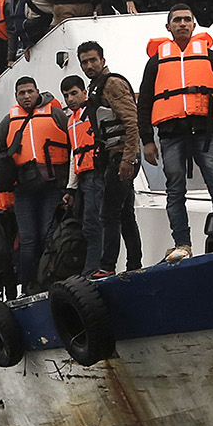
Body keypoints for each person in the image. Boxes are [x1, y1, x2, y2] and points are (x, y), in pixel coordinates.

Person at [140, 6, 213, 259]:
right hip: (171, 133)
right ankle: (182, 244)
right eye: (177, 20)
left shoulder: (212, 57)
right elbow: (145, 102)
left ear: (194, 25)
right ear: (168, 27)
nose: (182, 24)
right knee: (175, 190)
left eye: (187, 20)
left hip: (206, 133)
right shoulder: (156, 61)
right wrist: (147, 140)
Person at [77, 40, 144, 272]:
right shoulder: (97, 86)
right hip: (114, 155)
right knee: (125, 214)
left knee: (109, 213)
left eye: (93, 60)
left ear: (103, 61)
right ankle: (134, 263)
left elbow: (131, 121)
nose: (89, 65)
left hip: (122, 155)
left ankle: (107, 266)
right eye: (84, 62)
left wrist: (129, 158)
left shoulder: (112, 84)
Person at [1, 78, 71, 292]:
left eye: (30, 91)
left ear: (37, 92)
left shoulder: (56, 113)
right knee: (28, 240)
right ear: (16, 96)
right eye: (21, 93)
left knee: (48, 235)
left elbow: (73, 142)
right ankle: (28, 285)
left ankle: (49, 279)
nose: (26, 96)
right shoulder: (9, 120)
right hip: (24, 188)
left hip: (52, 186)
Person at [58, 75, 107, 275]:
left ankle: (93, 270)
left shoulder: (94, 111)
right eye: (66, 95)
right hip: (84, 178)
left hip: (97, 174)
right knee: (89, 225)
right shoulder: (72, 121)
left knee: (92, 225)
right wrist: (71, 187)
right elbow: (74, 155)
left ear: (84, 92)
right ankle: (92, 267)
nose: (70, 99)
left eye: (74, 93)